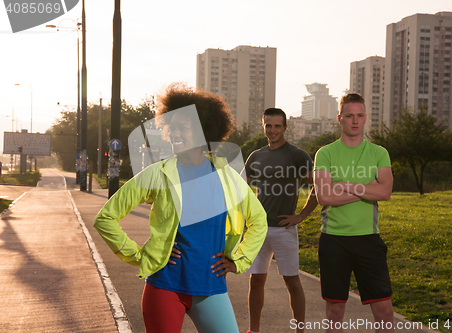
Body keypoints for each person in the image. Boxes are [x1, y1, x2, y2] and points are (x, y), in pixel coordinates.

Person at [94, 83, 267, 333]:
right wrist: (140, 255)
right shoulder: (157, 173)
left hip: (211, 287)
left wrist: (238, 260)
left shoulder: (227, 177)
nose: (174, 133)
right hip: (165, 286)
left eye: (183, 127)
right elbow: (106, 218)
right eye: (171, 127)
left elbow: (259, 220)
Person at [314, 93, 394, 332]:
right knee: (335, 311)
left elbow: (385, 192)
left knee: (385, 311)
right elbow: (324, 197)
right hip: (334, 241)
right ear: (340, 119)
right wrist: (367, 188)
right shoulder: (325, 153)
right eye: (349, 116)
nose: (355, 121)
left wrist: (346, 186)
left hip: (368, 239)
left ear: (366, 118)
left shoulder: (379, 153)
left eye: (360, 116)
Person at [243, 108, 318, 333]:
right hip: (258, 229)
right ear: (263, 126)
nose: (272, 130)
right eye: (268, 125)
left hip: (284, 229)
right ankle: (253, 331)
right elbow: (239, 189)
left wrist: (302, 215)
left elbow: (317, 186)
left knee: (292, 282)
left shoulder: (297, 155)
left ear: (285, 128)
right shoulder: (255, 156)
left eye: (277, 126)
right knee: (256, 281)